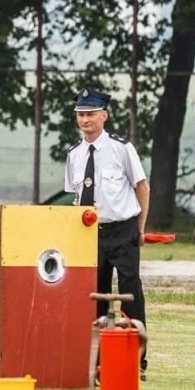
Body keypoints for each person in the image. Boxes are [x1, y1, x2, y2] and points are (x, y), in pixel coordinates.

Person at [64, 90, 150, 373]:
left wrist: (139, 228)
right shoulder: (74, 155)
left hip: (122, 228)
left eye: (90, 114)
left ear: (104, 115)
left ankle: (136, 357)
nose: (85, 119)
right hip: (90, 233)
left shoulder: (120, 148)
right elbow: (75, 199)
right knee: (94, 295)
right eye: (80, 114)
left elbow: (141, 187)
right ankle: (98, 359)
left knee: (130, 292)